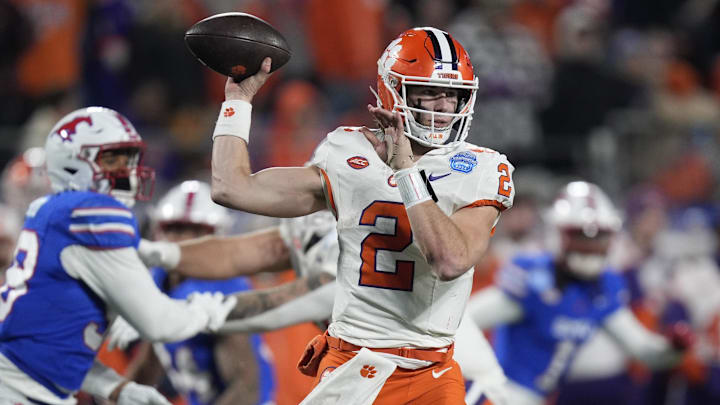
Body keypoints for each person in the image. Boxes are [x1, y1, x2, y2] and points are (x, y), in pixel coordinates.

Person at [209, 26, 515, 404]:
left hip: (431, 370)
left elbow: (450, 260)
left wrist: (406, 172)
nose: (440, 107)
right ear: (393, 91)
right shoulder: (347, 151)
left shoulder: (481, 168)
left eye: (451, 95)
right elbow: (231, 186)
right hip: (353, 364)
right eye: (427, 92)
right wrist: (238, 101)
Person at [110, 210, 511, 404]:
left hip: (457, 389)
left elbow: (268, 306)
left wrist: (171, 313)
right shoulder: (369, 251)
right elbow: (243, 255)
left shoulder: (343, 271)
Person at [0, 107, 237, 405]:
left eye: (130, 160)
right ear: (73, 164)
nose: (129, 173)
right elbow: (159, 323)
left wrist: (115, 387)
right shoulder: (90, 215)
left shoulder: (49, 214)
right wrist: (207, 310)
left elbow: (47, 347)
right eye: (114, 160)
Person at [466, 181, 689, 405]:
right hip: (503, 393)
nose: (590, 247)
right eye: (581, 237)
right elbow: (463, 320)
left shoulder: (602, 288)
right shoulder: (534, 279)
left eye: (598, 238)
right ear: (558, 235)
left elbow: (643, 350)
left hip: (542, 396)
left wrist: (674, 348)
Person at [122, 180, 276, 405]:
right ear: (157, 230)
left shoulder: (222, 291)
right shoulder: (158, 280)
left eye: (196, 231)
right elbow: (149, 362)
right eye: (173, 228)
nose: (182, 240)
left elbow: (246, 390)